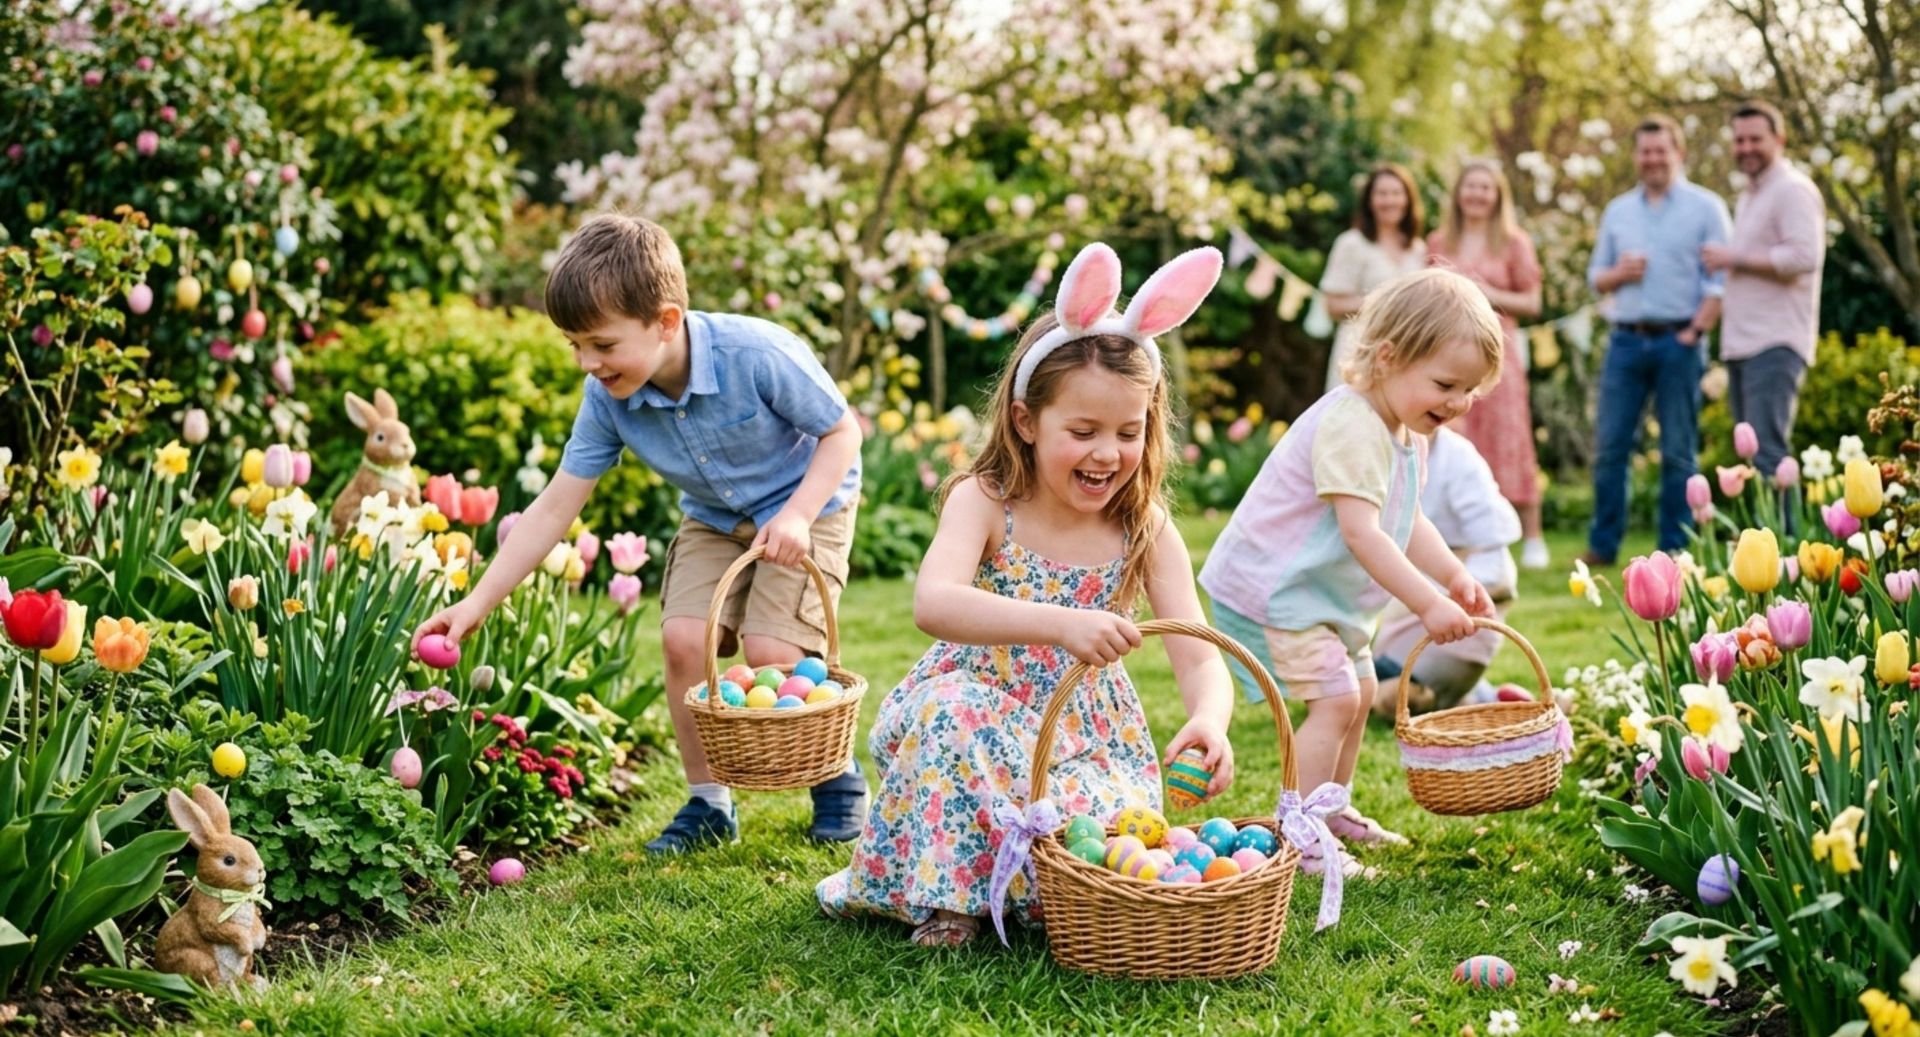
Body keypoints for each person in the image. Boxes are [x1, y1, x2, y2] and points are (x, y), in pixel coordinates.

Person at [816, 243, 1238, 947]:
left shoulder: (1144, 527)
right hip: (973, 716)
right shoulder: (986, 501)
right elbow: (933, 602)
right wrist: (1061, 623)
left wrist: (1210, 719)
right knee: (955, 717)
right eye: (1083, 431)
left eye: (1128, 432)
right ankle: (953, 903)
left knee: (1104, 847)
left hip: (1086, 741)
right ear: (1025, 422)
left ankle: (1027, 888)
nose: (1107, 452)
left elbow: (1198, 652)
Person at [413, 213, 868, 855]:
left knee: (773, 651)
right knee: (684, 641)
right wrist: (476, 603)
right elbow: (555, 505)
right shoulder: (606, 398)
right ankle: (708, 803)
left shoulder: (756, 354)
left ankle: (835, 774)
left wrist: (796, 514)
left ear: (666, 322)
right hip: (714, 517)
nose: (587, 363)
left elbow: (842, 432)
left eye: (601, 344)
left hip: (807, 504)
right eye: (575, 345)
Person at [1200, 269, 1502, 877]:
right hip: (1274, 591)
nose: (1457, 403)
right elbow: (1363, 532)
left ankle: (1330, 810)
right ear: (1388, 357)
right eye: (1445, 384)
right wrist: (1427, 604)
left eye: (1470, 390)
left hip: (1317, 596)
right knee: (1337, 700)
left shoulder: (1403, 432)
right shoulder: (1351, 425)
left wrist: (1453, 575)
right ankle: (1301, 832)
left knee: (1361, 693)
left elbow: (1406, 517)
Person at [1582, 115, 1734, 567]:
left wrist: (1695, 332)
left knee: (1678, 451)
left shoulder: (1706, 208)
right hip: (1626, 342)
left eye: (1660, 150)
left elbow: (1720, 282)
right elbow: (1596, 278)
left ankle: (1675, 548)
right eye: (1645, 151)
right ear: (1636, 156)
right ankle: (1603, 545)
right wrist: (1619, 273)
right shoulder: (1618, 211)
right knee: (1610, 447)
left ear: (1678, 153)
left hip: (1679, 342)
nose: (1652, 159)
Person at [1427, 160, 1547, 571]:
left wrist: (1486, 292)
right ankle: (1461, 535)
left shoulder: (1514, 243)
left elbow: (1532, 301)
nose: (1477, 194)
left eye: (1485, 187)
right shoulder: (1438, 241)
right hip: (1448, 353)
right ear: (1459, 193)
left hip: (1499, 354)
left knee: (1511, 438)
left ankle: (1531, 535)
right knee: (1456, 433)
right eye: (1470, 186)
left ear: (1497, 196)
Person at [1703, 99, 1826, 486]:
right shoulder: (1750, 196)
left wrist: (1734, 258)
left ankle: (1786, 529)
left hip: (1775, 342)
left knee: (1768, 456)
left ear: (1780, 139)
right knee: (1752, 463)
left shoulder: (1793, 190)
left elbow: (1804, 256)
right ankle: (1766, 529)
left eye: (1755, 139)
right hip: (1743, 343)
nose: (1746, 148)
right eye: (1739, 140)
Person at [1371, 427, 1522, 714]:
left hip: (1464, 596)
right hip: (1418, 595)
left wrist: (1447, 592)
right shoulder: (1382, 448)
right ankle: (1482, 697)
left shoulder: (1457, 457)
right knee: (1378, 678)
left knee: (1405, 695)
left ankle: (1475, 698)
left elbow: (1493, 556)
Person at [1322, 163, 1430, 393]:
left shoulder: (1418, 249)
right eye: (1382, 193)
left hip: (1406, 353)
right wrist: (1388, 302)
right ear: (1370, 201)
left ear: (1407, 199)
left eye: (1396, 193)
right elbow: (1333, 305)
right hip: (1359, 350)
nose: (1389, 200)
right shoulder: (1352, 243)